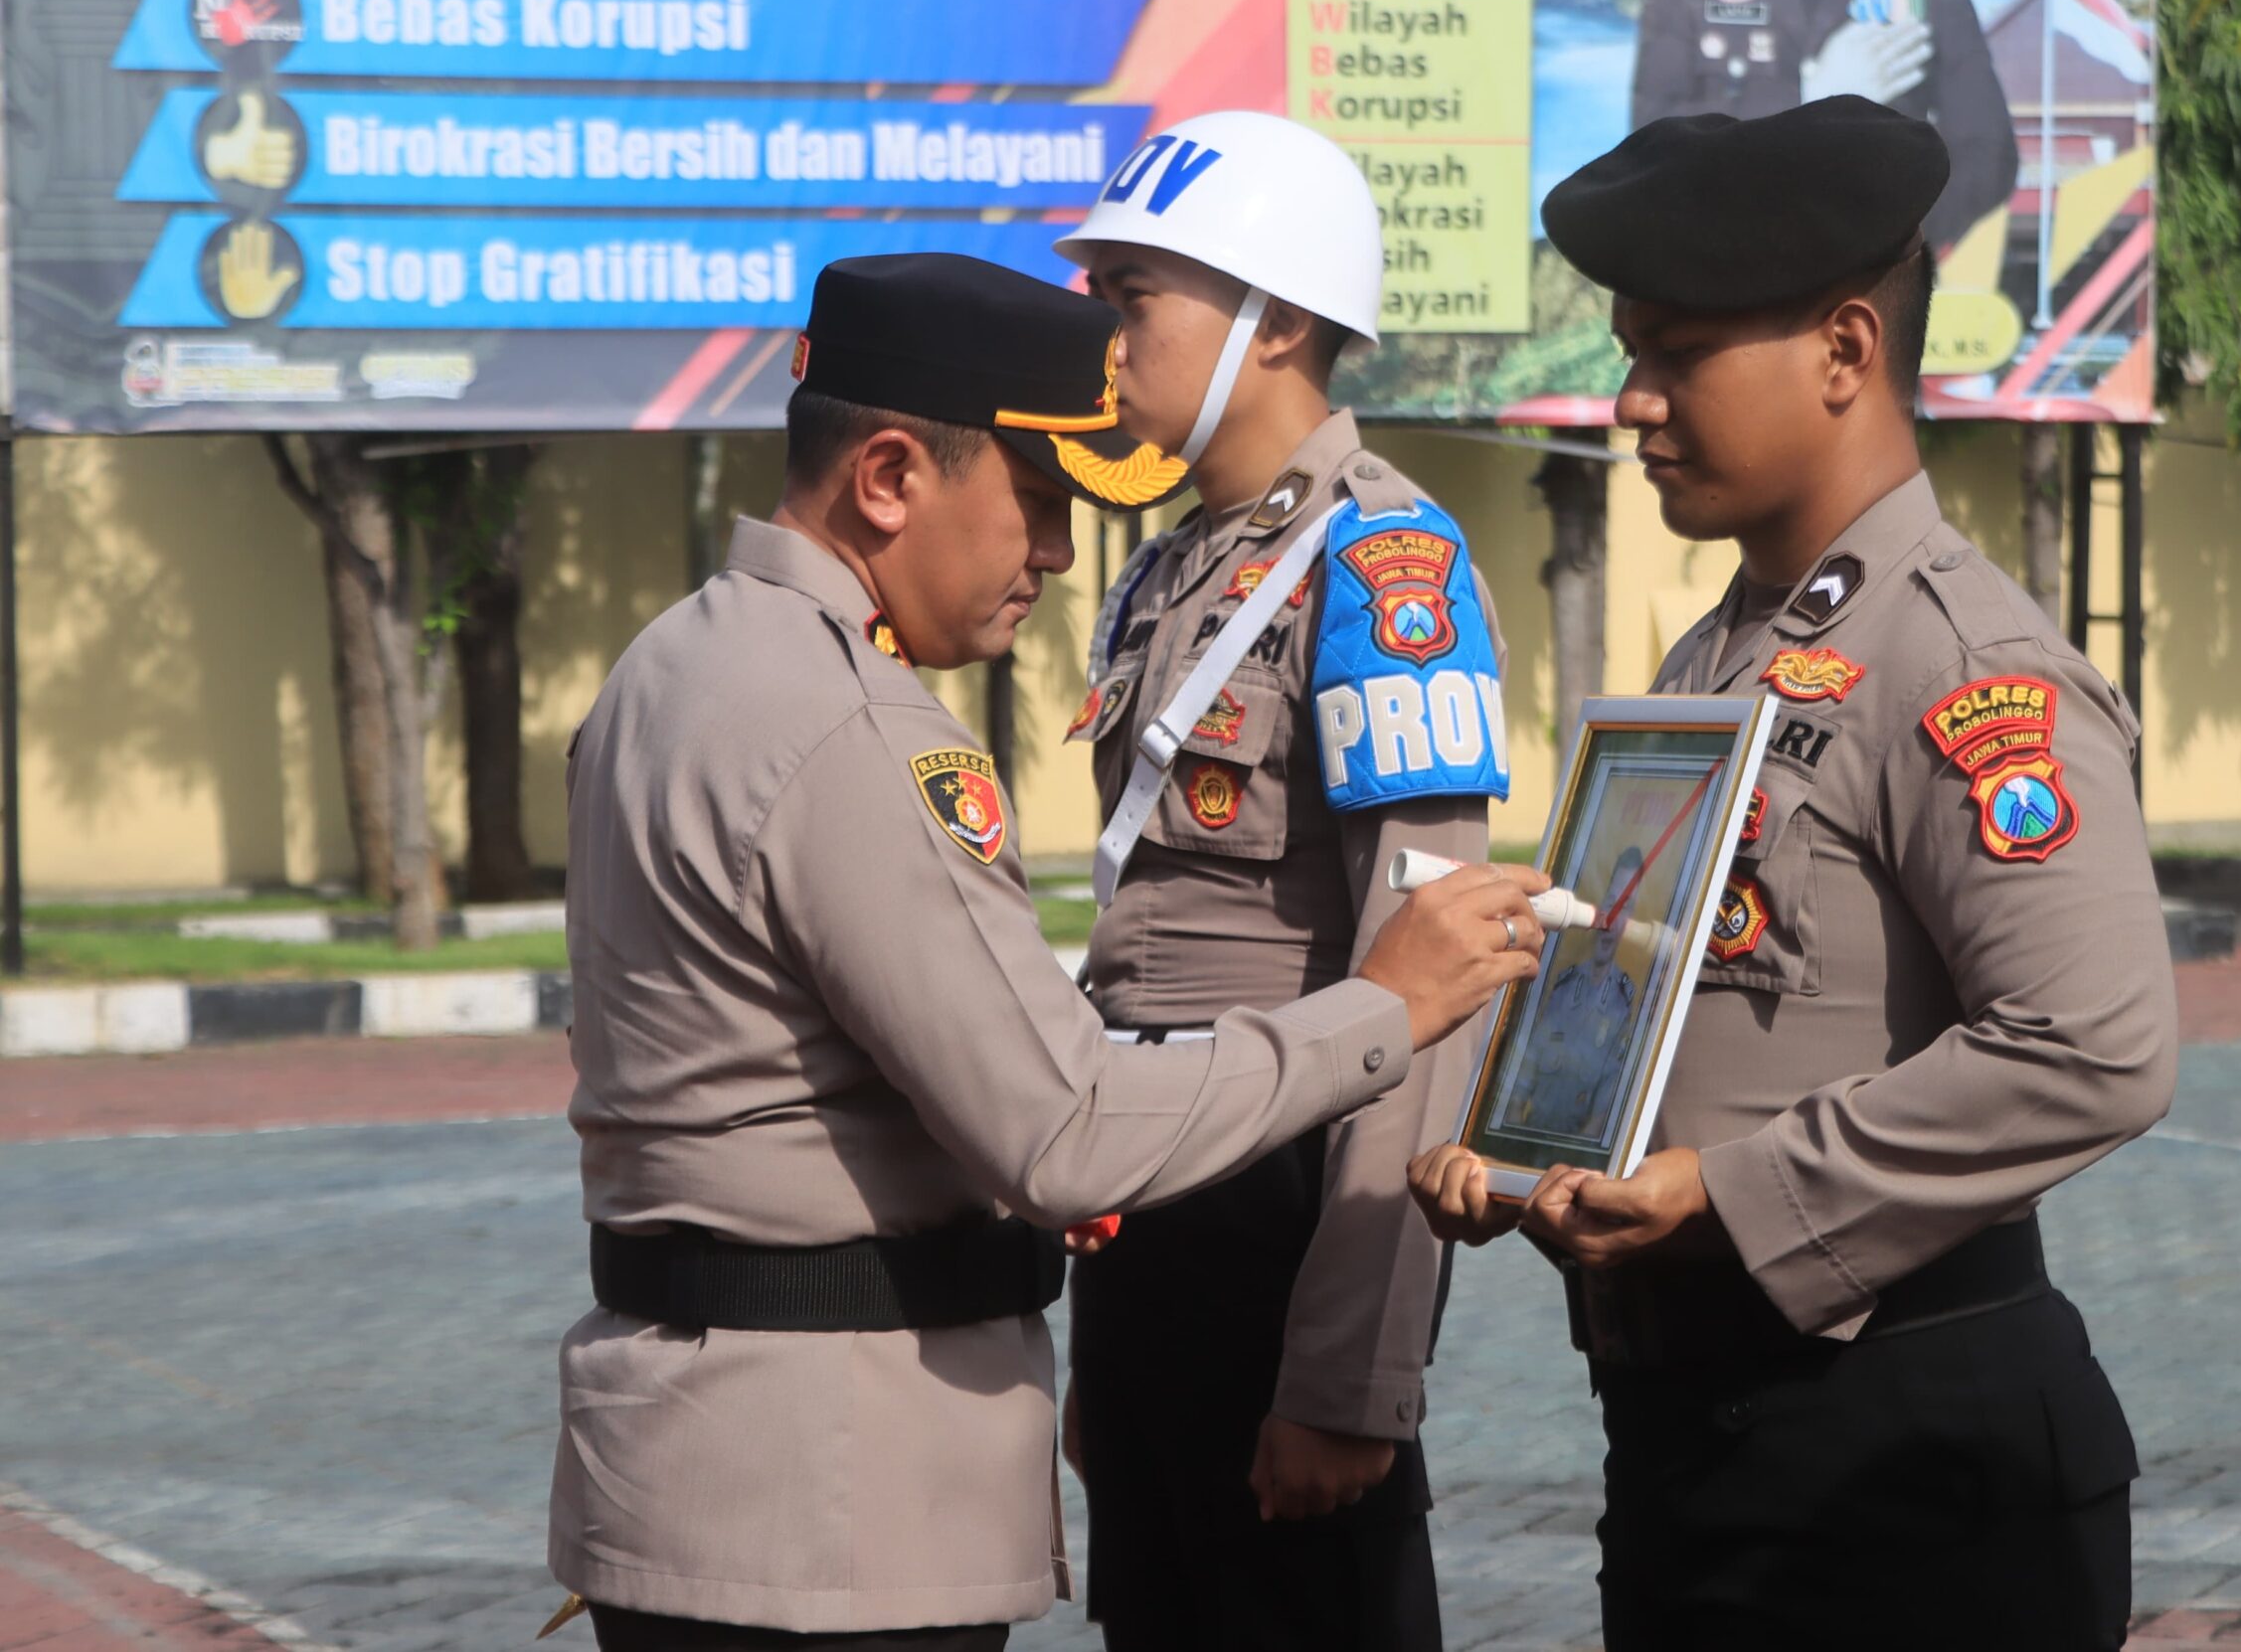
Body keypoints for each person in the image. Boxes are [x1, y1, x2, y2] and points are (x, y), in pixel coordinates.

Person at [544, 251, 1551, 1652]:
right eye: (1036, 502)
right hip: (834, 1501)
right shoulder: (852, 726)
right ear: (889, 476)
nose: (1060, 553)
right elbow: (1065, 1124)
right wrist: (1384, 1005)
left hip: (700, 1462)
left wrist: (1340, 1363)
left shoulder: (668, 667)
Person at [1409, 97, 2177, 1651]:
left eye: (1678, 350)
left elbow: (2095, 1043)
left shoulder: (1961, 665)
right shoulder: (1720, 658)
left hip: (1906, 1458)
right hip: (1702, 1439)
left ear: (1844, 351)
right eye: (1633, 350)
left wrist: (1731, 1192)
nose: (1632, 400)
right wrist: (1514, 1149)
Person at [1050, 109, 1511, 1652]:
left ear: (1282, 320)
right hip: (1150, 1216)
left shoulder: (1389, 567)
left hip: (1287, 1221)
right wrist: (1101, 1356)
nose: (1104, 335)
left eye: (1135, 295)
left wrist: (1349, 1372)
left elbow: (1428, 979)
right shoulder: (1173, 561)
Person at [1630, 0, 2016, 248]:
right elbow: (1652, 144)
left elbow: (1990, 154)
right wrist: (1810, 99)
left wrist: (1884, 241)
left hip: (1869, 294)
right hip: (1733, 282)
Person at [1508, 848, 1641, 1137]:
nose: (1613, 918)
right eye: (1610, 903)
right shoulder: (1564, 984)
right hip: (1527, 1134)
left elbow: (1605, 1107)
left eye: (1625, 907)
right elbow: (1527, 1061)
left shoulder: (1624, 1000)